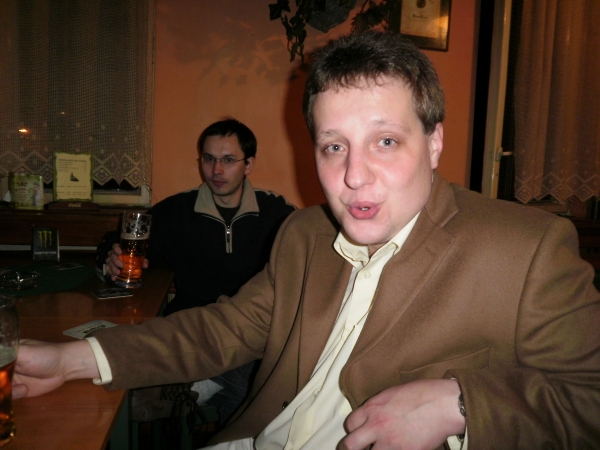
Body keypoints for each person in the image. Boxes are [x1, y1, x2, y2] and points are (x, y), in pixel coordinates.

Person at [14, 31, 600, 450]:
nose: (354, 176)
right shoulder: (303, 234)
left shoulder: (527, 249)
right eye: (333, 146)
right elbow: (223, 329)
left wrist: (461, 404)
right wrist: (74, 359)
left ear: (434, 142)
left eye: (386, 141)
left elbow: (589, 401)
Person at [97, 117, 296, 424]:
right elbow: (119, 241)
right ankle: (208, 392)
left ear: (249, 164)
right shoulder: (176, 211)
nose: (216, 170)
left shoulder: (276, 212)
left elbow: (307, 256)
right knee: (257, 386)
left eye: (228, 160)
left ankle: (200, 387)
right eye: (209, 159)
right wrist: (110, 259)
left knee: (259, 367)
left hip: (249, 329)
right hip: (192, 328)